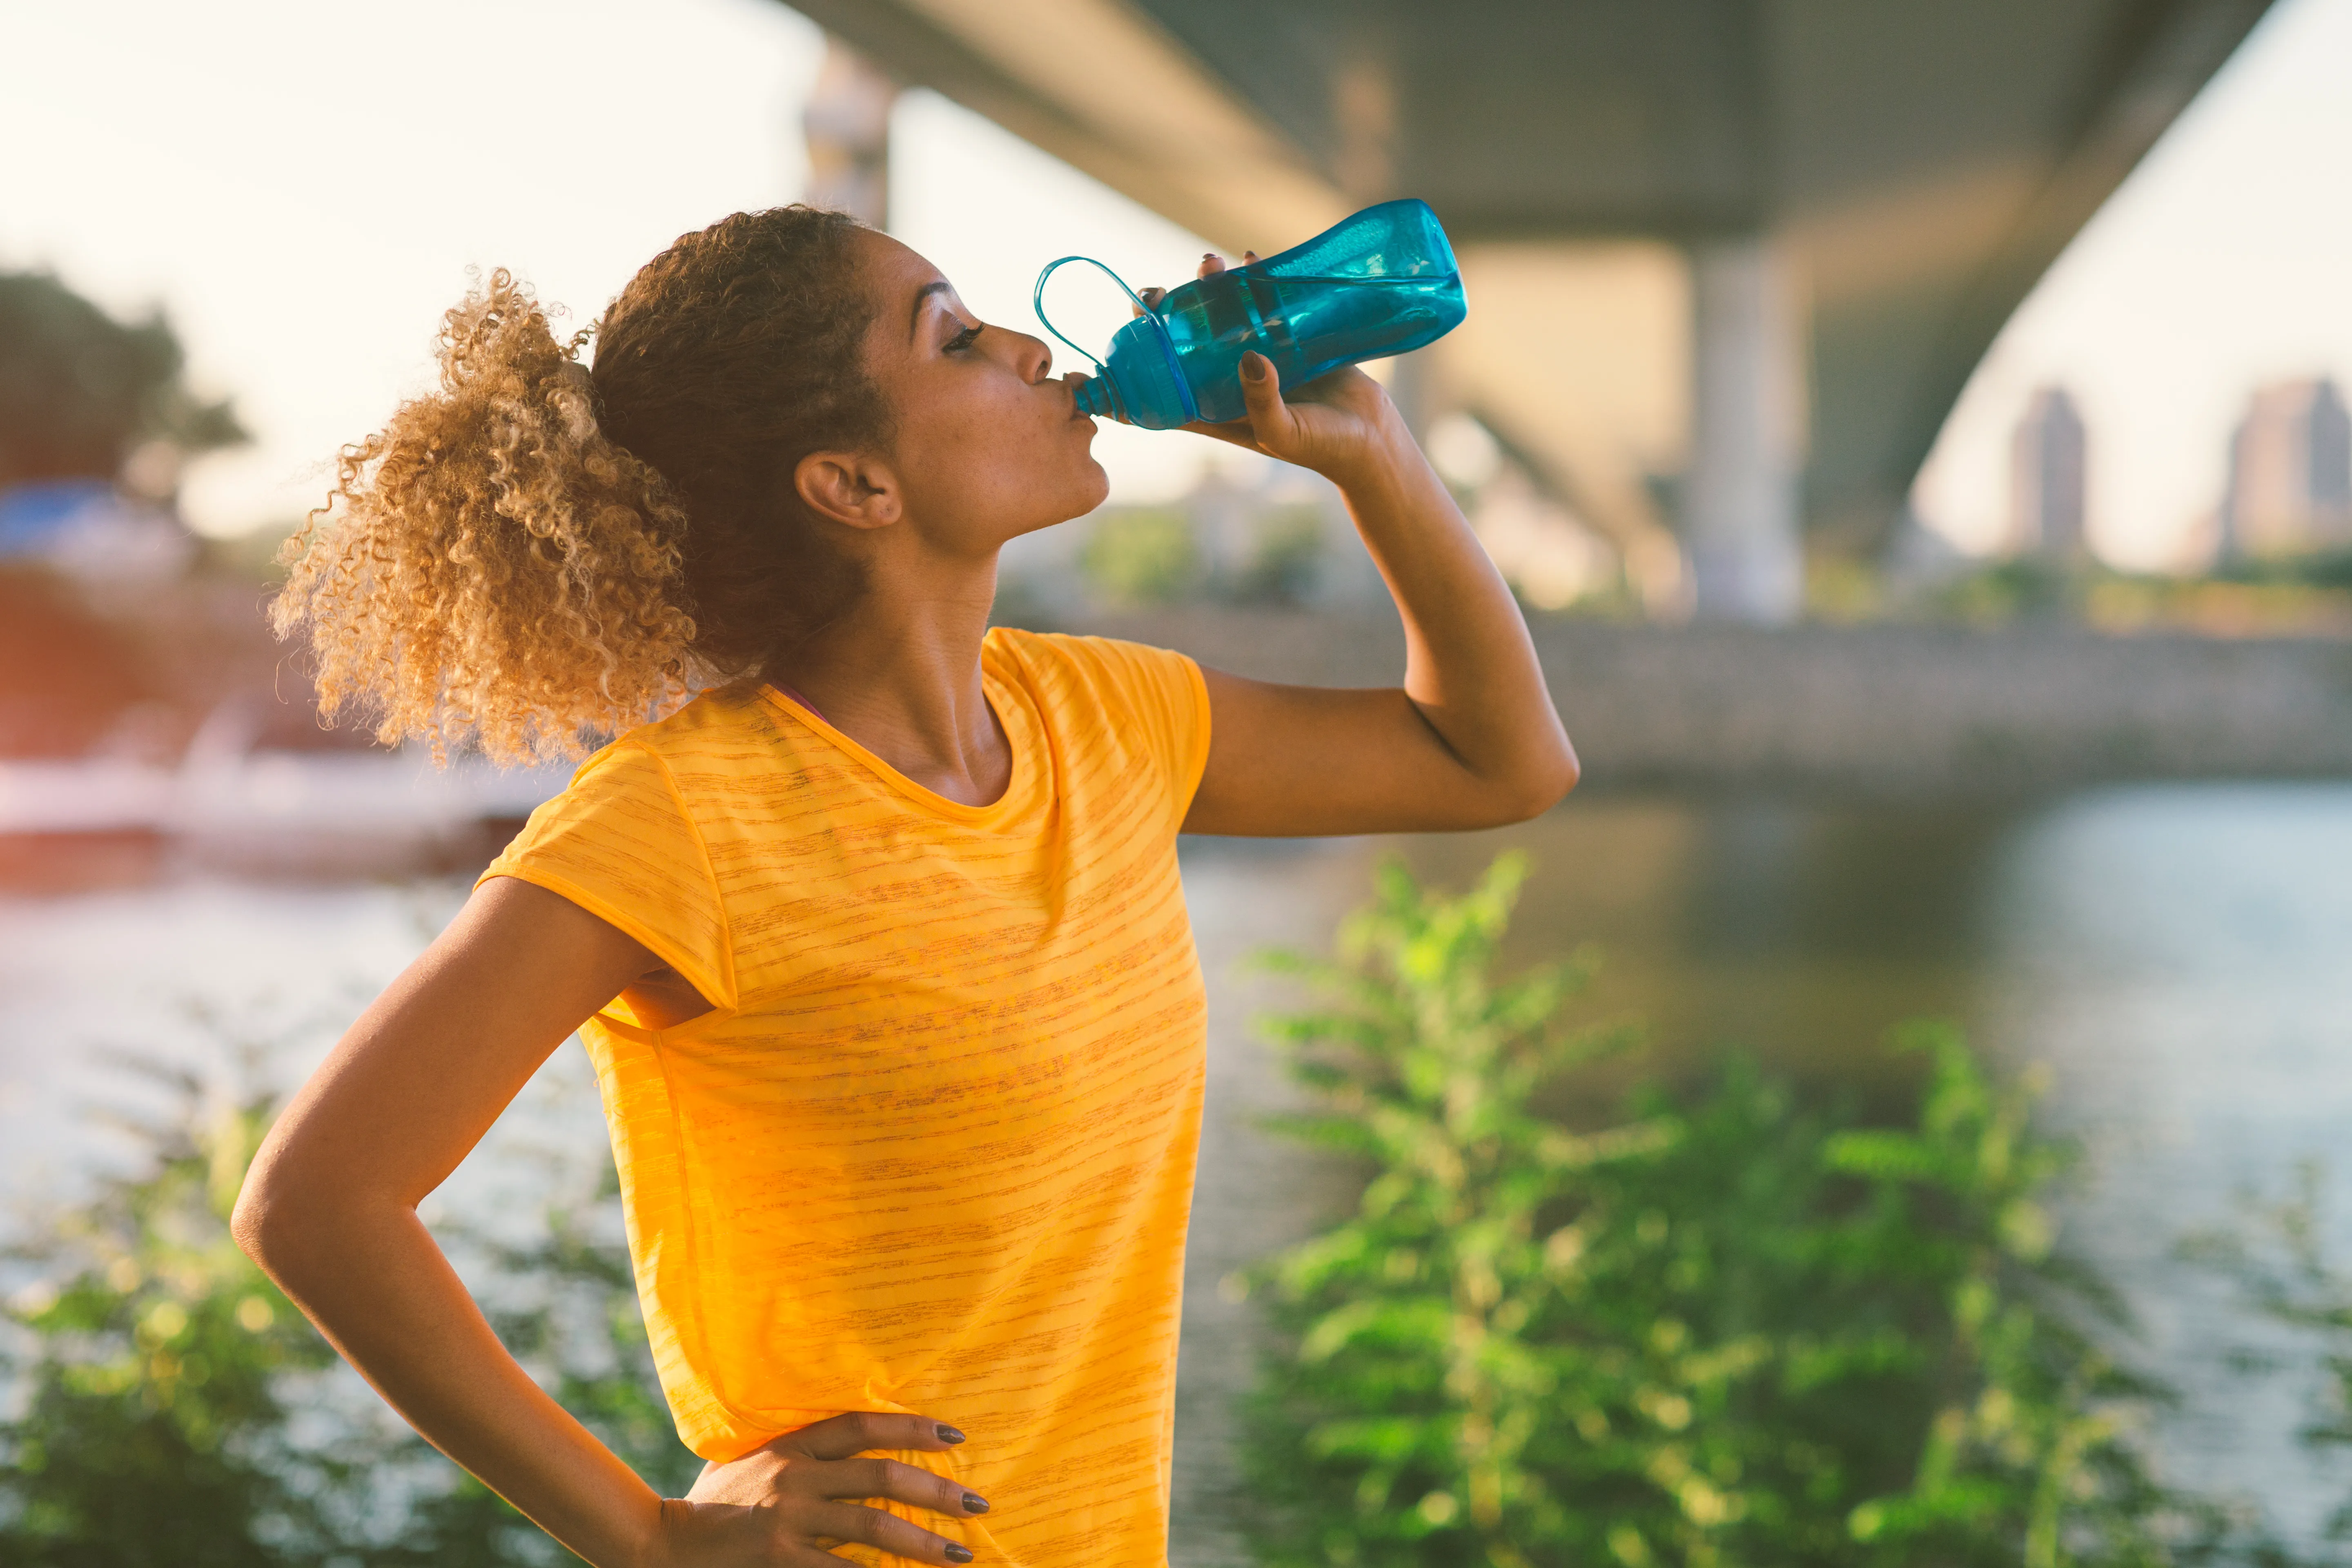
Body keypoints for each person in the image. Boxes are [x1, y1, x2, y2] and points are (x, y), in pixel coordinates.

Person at [234, 205, 1575, 1568]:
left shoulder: (1103, 717)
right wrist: (651, 1537)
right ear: (854, 485)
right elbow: (318, 1205)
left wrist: (1374, 457)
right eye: (953, 335)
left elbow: (1496, 764)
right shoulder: (682, 819)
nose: (1025, 345)